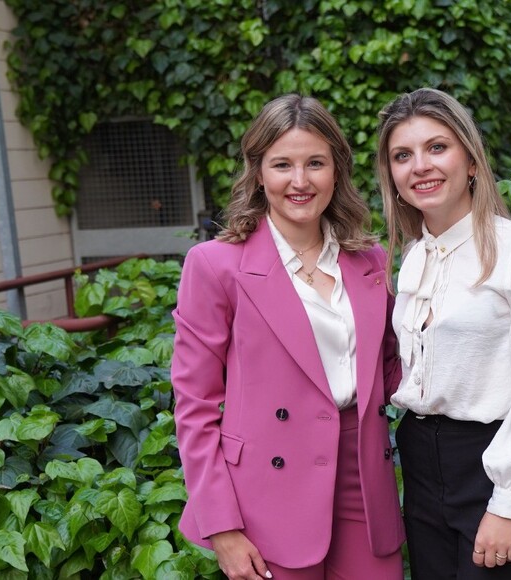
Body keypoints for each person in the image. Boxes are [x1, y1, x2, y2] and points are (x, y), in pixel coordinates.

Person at [171, 94, 405, 580]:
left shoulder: (371, 261)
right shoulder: (215, 265)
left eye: (315, 163)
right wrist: (222, 527)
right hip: (266, 493)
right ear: (258, 173)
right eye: (282, 165)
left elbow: (392, 369)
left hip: (364, 478)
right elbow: (194, 405)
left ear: (336, 170)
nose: (300, 181)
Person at [375, 88, 511, 580]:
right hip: (421, 461)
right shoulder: (413, 258)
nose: (420, 166)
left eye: (437, 147)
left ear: (470, 161)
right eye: (403, 155)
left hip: (492, 461)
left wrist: (510, 501)